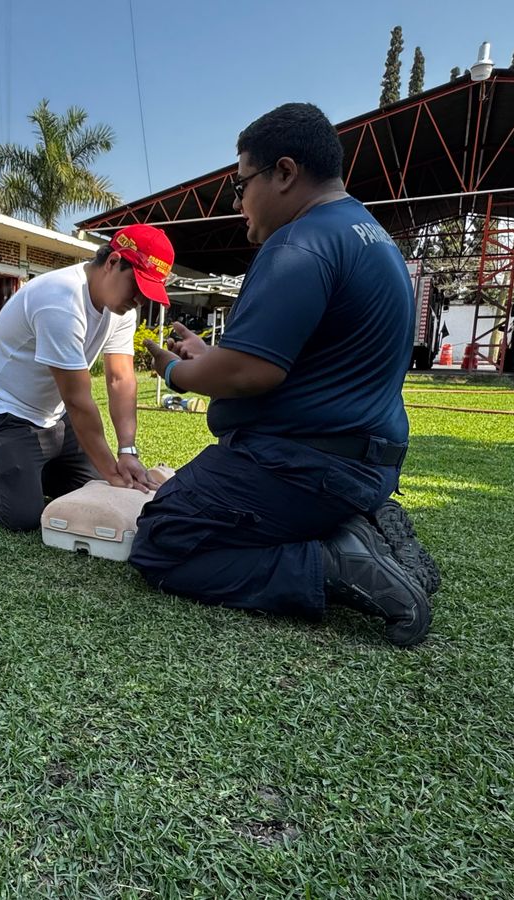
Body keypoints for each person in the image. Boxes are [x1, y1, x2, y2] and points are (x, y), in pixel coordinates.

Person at [133, 103, 441, 647]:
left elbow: (253, 372)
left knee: (162, 538)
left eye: (240, 182)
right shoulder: (372, 238)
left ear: (284, 172)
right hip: (363, 460)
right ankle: (360, 525)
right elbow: (309, 358)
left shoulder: (301, 244)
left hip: (301, 462)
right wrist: (210, 354)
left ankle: (331, 562)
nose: (237, 201)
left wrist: (178, 371)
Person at [0, 225, 175, 530]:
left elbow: (120, 379)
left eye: (147, 292)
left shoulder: (122, 309)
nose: (140, 299)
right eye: (137, 286)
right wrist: (112, 472)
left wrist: (126, 451)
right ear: (114, 262)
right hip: (4, 410)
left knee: (92, 492)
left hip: (53, 417)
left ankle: (14, 466)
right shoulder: (61, 299)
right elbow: (78, 401)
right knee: (20, 514)